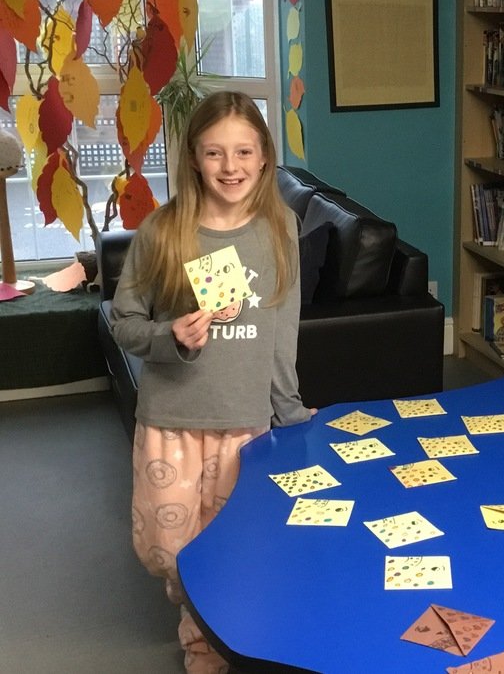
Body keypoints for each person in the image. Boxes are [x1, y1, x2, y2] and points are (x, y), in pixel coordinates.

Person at [110, 90, 316, 673]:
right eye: (215, 153)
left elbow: (283, 333)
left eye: (244, 151)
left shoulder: (281, 230)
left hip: (245, 427)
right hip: (170, 425)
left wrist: (291, 411)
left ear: (264, 156)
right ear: (194, 158)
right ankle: (197, 619)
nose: (232, 167)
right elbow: (124, 322)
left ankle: (207, 646)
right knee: (171, 554)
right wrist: (170, 337)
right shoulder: (162, 232)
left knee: (236, 551)